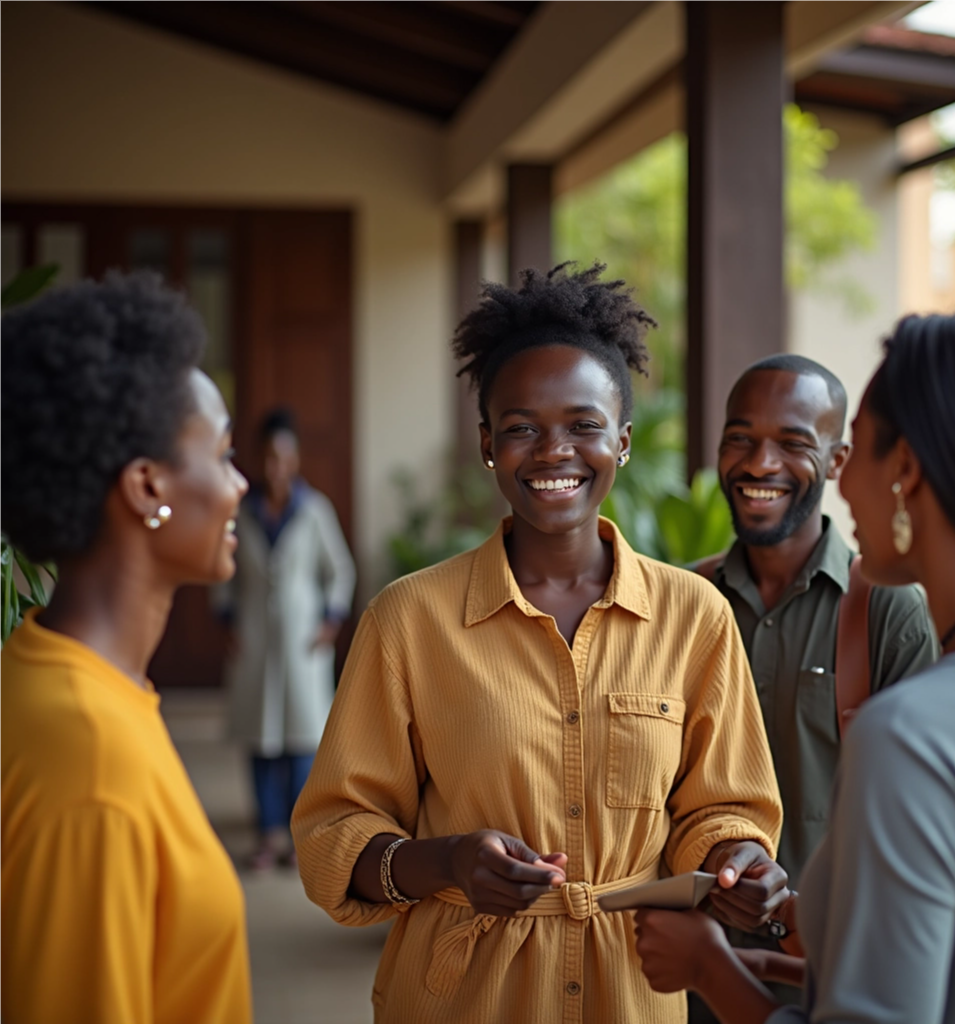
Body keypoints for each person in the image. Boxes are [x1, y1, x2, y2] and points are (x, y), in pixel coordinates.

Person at [292, 263, 786, 1024]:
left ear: (621, 442)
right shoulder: (409, 619)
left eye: (583, 426)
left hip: (634, 995)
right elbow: (334, 835)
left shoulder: (695, 616)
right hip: (458, 1000)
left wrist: (735, 863)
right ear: (489, 444)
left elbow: (719, 809)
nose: (554, 451)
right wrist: (447, 861)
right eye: (521, 427)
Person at [633, 310, 955, 1023]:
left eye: (858, 451)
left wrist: (711, 971)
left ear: (897, 468)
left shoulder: (913, 734)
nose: (842, 494)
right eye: (741, 440)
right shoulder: (685, 601)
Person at [0, 273, 252, 1024]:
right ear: (147, 487)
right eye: (223, 453)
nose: (239, 485)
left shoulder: (54, 678)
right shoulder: (90, 757)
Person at [687, 355, 938, 1020]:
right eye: (740, 438)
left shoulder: (888, 608)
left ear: (837, 457)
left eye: (793, 443)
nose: (760, 463)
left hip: (829, 984)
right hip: (680, 982)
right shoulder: (676, 604)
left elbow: (916, 824)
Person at [216, 406, 356, 869]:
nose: (276, 466)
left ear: (295, 458)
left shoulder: (314, 510)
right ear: (260, 458)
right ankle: (267, 835)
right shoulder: (243, 510)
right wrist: (228, 621)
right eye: (269, 457)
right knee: (259, 738)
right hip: (254, 637)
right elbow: (223, 570)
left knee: (300, 740)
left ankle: (298, 838)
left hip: (303, 642)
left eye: (284, 456)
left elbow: (340, 570)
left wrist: (329, 623)